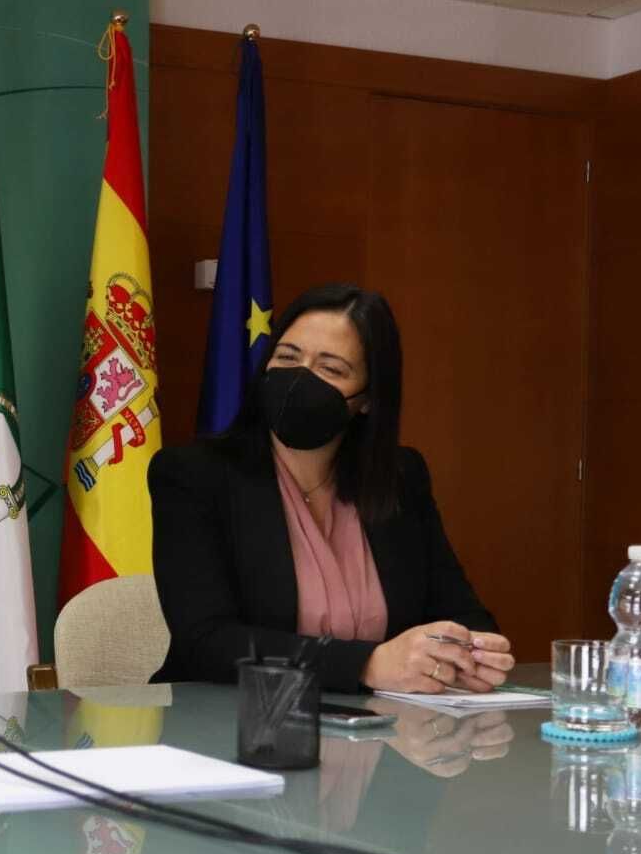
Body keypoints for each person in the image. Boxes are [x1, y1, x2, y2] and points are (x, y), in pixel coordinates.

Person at [148, 283, 515, 694]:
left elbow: (461, 613)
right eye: (287, 357)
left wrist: (472, 653)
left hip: (376, 734)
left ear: (368, 399)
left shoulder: (400, 477)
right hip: (221, 728)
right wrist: (366, 665)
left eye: (332, 369)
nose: (300, 378)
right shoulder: (193, 474)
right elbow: (205, 642)